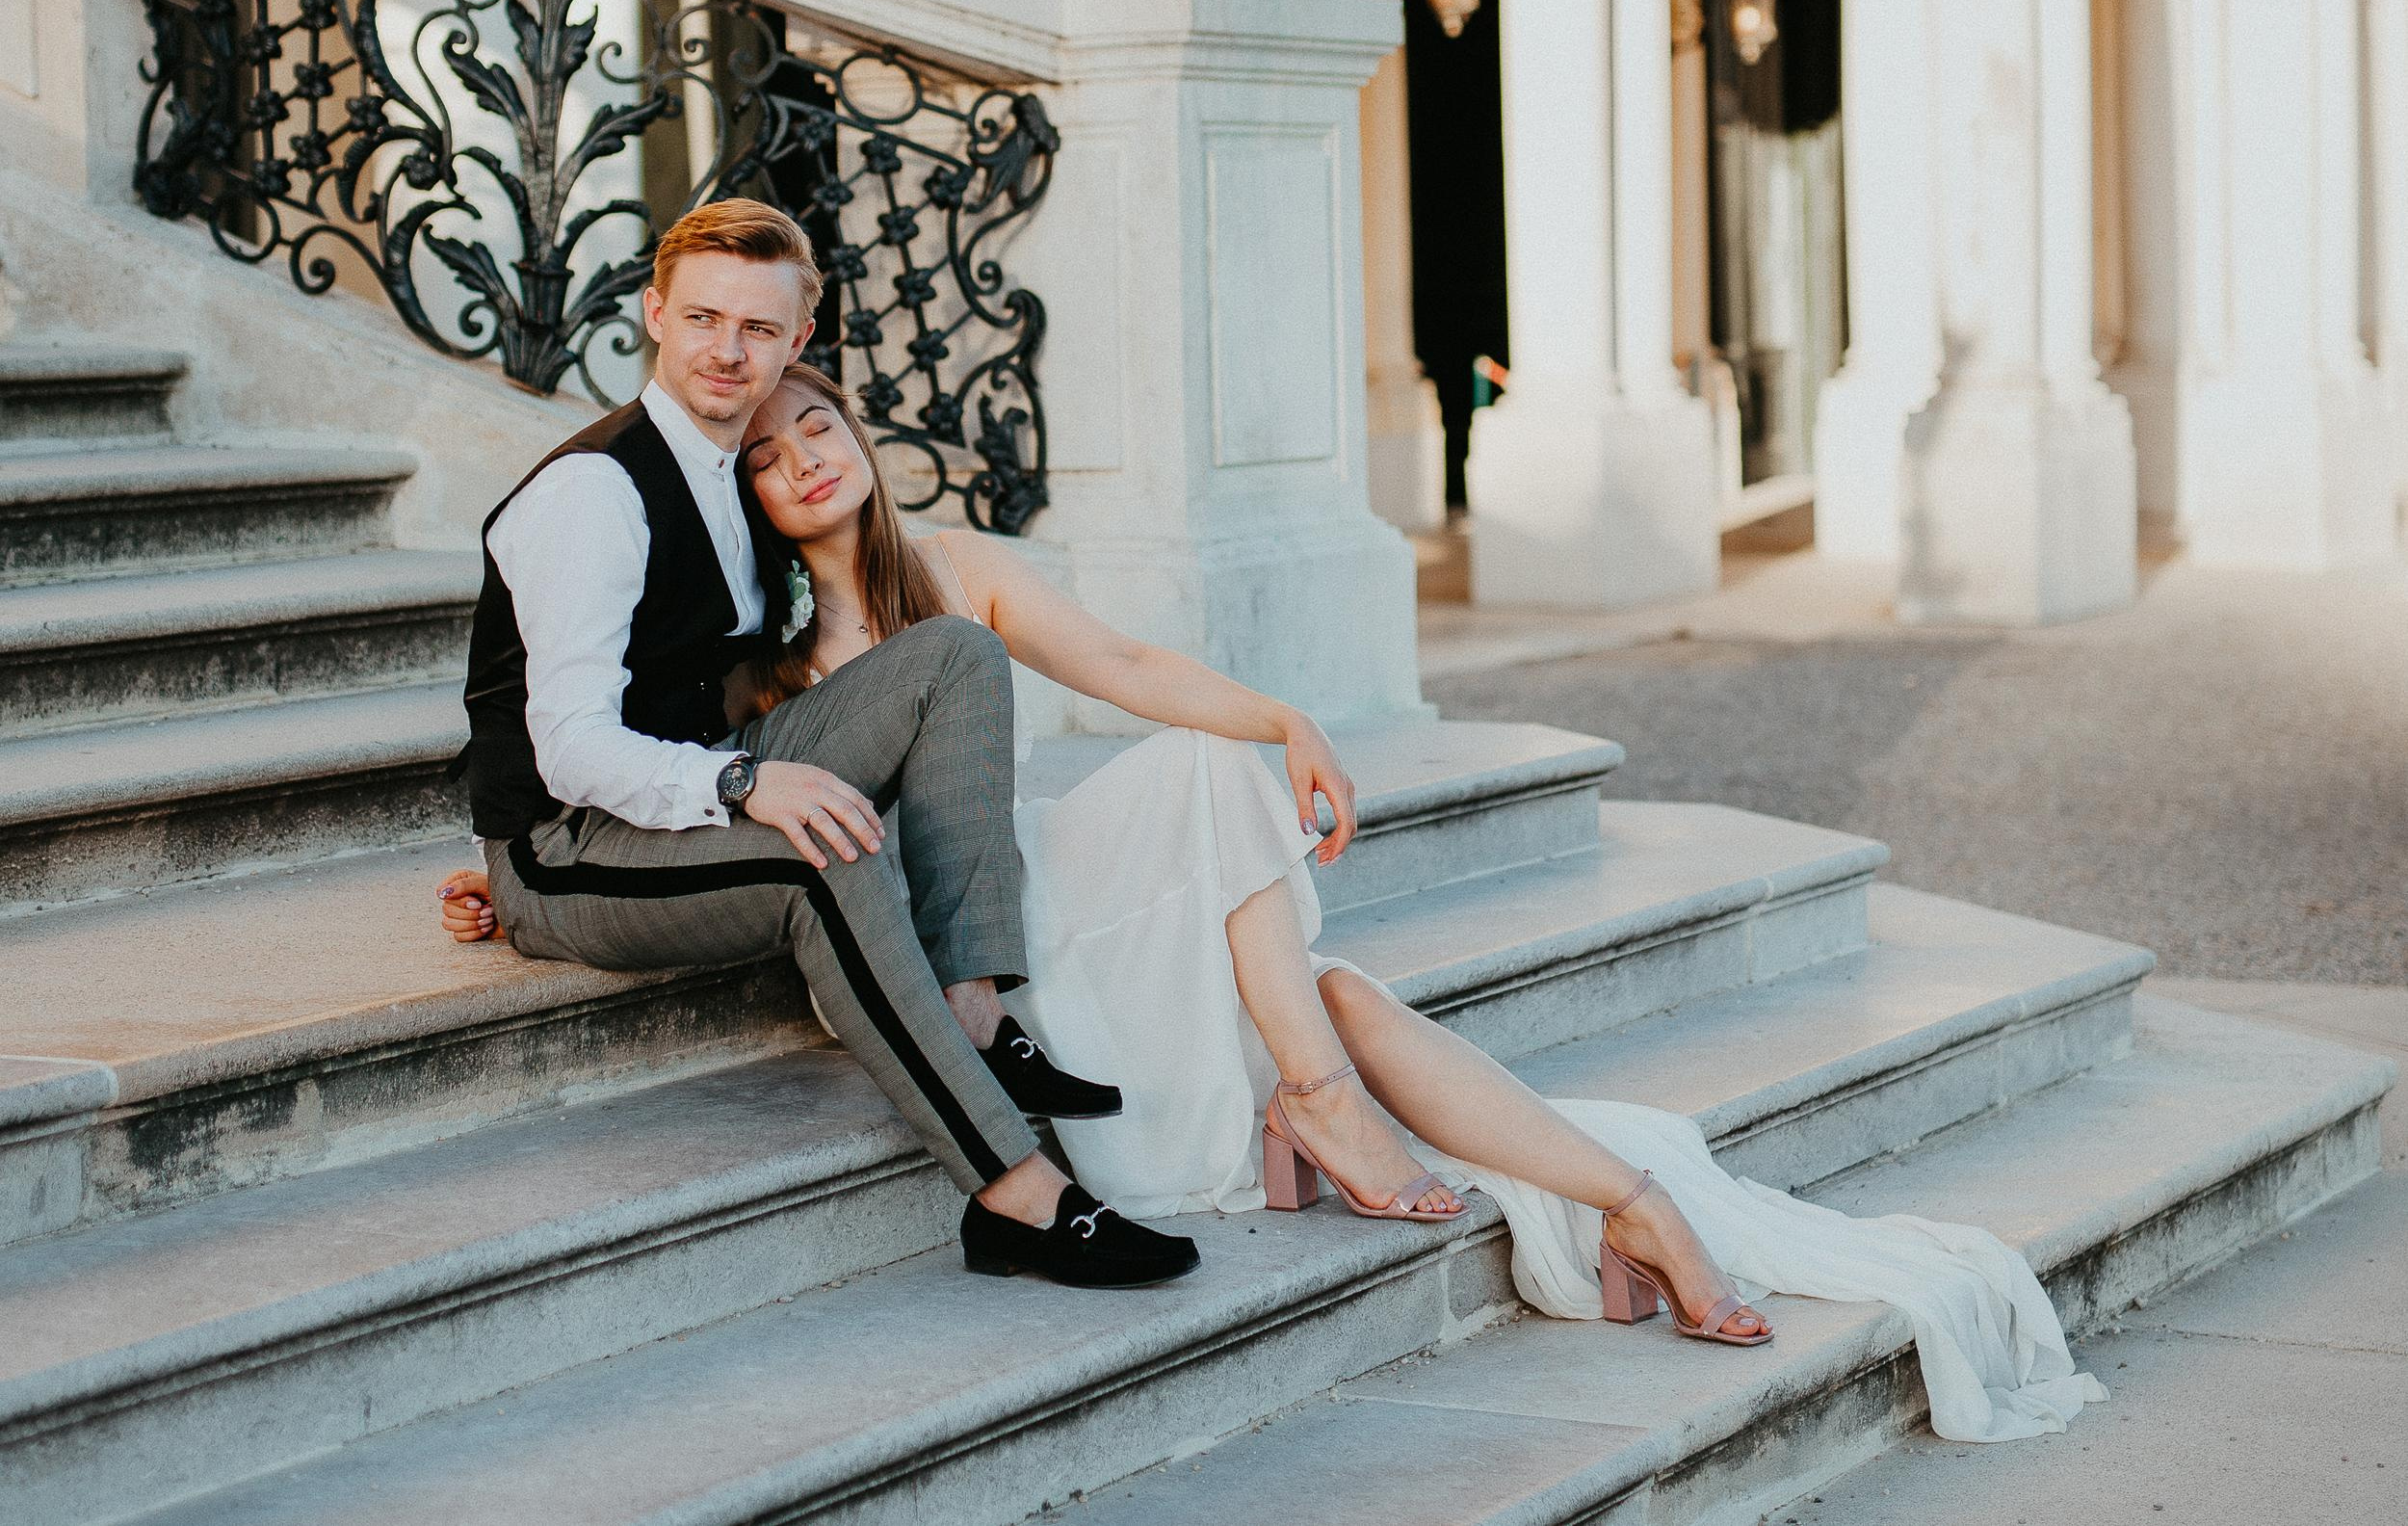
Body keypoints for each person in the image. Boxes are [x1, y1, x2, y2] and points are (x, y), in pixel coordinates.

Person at [444, 348, 2110, 1440]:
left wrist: (1288, 719)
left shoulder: (950, 574)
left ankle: (1600, 1191)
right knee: (1337, 988)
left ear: (862, 447)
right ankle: (1401, 1121)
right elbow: (649, 780)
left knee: (1214, 791)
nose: (801, 457)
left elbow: (1127, 664)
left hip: (1044, 890)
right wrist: (513, 875)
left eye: (822, 427)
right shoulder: (755, 663)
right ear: (739, 503)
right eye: (769, 454)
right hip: (989, 974)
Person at [448, 197, 1195, 1291]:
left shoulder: (730, 473)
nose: (727, 350)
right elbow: (565, 744)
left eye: (758, 329)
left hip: (665, 805)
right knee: (821, 846)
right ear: (654, 315)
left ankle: (971, 1006)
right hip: (568, 845)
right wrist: (742, 781)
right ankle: (1019, 1197)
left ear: (797, 341)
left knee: (953, 650)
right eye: (703, 319)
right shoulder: (596, 491)